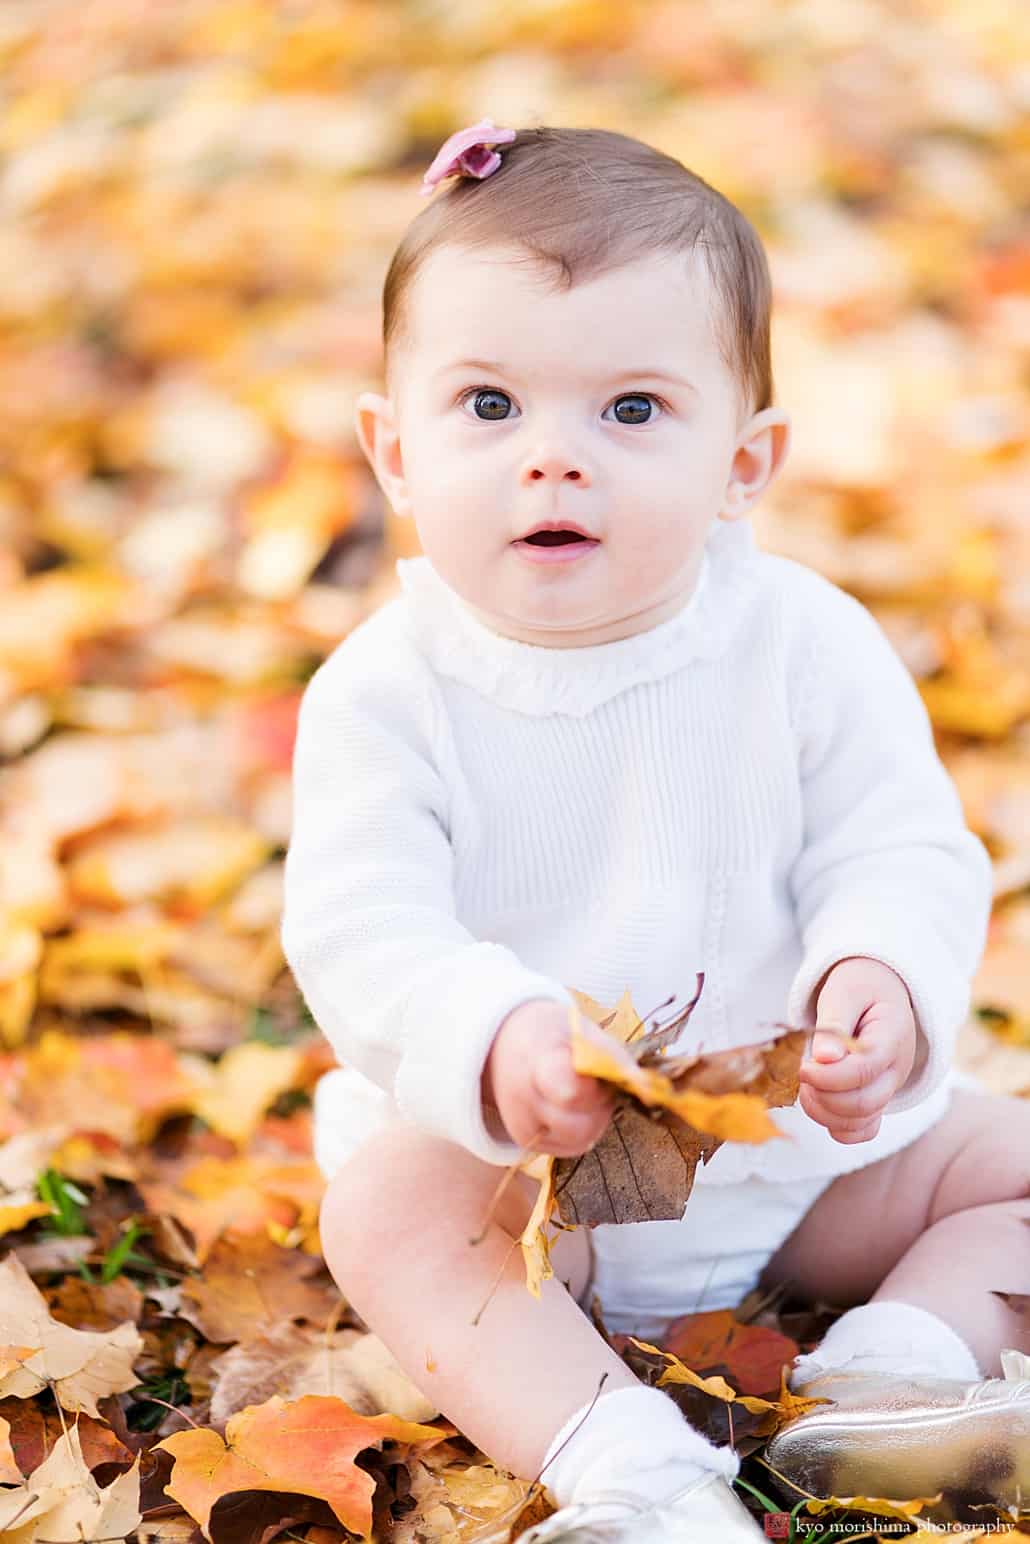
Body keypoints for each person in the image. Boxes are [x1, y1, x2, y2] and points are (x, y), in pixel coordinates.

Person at [282, 122, 1030, 1541]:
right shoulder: (386, 691)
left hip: (799, 1159)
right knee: (388, 1215)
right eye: (488, 406)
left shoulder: (802, 642)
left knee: (1013, 1164)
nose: (553, 461)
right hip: (529, 1191)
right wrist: (490, 1041)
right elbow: (360, 924)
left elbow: (897, 844)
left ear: (744, 463)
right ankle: (631, 1469)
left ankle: (894, 1381)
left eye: (629, 411)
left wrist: (877, 975)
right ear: (392, 449)